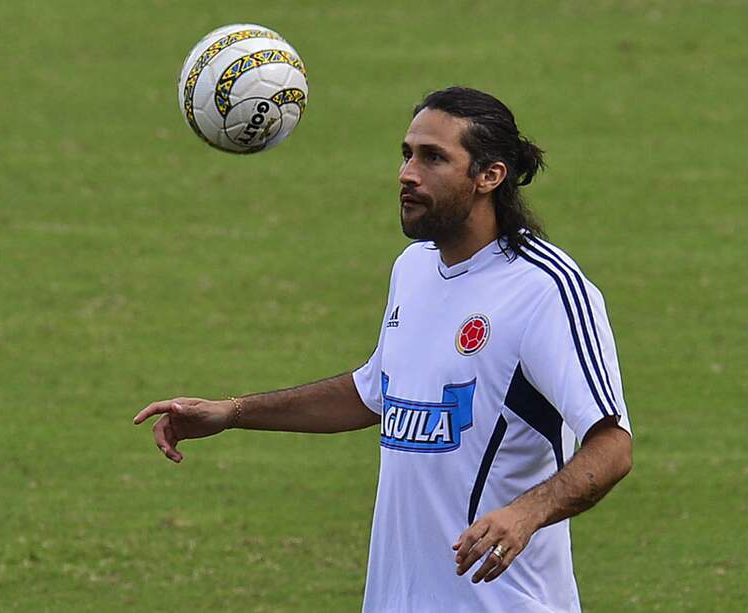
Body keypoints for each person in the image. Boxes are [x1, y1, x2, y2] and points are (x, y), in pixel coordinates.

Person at [134, 86, 632, 613]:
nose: (407, 173)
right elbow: (374, 392)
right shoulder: (414, 268)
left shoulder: (544, 289)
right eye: (407, 154)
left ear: (490, 176)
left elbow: (612, 446)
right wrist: (232, 413)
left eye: (434, 157)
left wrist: (527, 514)